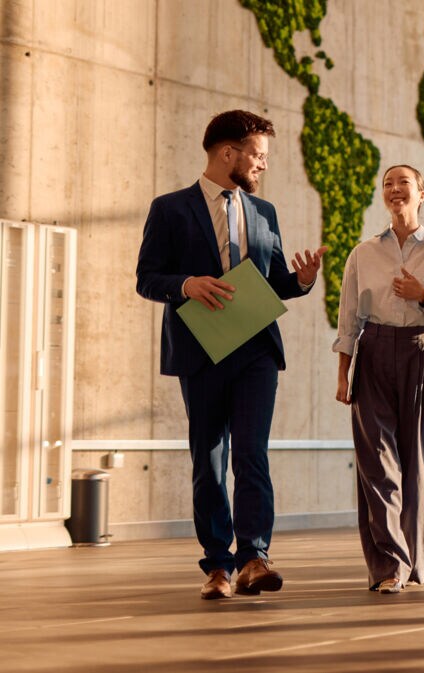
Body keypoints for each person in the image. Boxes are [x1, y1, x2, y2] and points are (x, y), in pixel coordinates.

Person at [135, 110, 327, 600]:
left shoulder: (264, 213)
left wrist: (301, 281)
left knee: (251, 453)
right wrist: (186, 284)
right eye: (257, 156)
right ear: (228, 153)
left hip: (257, 348)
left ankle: (254, 559)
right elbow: (147, 278)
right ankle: (218, 565)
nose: (262, 166)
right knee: (209, 458)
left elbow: (276, 281)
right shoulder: (170, 209)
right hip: (200, 349)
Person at [333, 164, 424, 594]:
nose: (394, 189)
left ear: (422, 193)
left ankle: (415, 559)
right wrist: (343, 375)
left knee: (422, 462)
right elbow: (349, 321)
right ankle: (388, 567)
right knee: (376, 463)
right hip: (375, 352)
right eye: (387, 183)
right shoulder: (363, 253)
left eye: (404, 183)